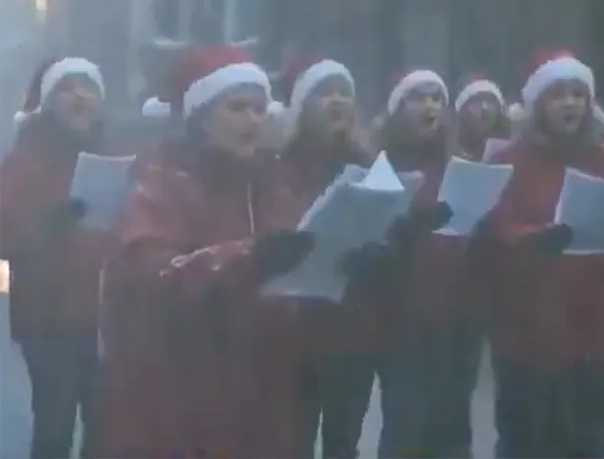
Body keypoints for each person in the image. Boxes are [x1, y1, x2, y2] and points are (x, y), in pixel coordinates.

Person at [93, 45, 319, 458]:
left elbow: (299, 279)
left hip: (263, 399)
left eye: (259, 109)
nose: (253, 119)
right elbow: (154, 274)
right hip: (182, 402)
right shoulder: (161, 182)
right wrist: (249, 259)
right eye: (237, 108)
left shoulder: (274, 185)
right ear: (200, 117)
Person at [481, 49, 604, 457]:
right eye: (558, 95)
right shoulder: (507, 160)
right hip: (529, 326)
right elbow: (492, 225)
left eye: (578, 94)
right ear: (537, 104)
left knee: (591, 436)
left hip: (595, 324)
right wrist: (533, 238)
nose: (570, 103)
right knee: (528, 438)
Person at [272, 52, 387, 458]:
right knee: (293, 442)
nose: (337, 100)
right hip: (295, 331)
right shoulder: (277, 166)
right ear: (302, 106)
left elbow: (390, 230)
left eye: (344, 92)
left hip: (352, 328)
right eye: (325, 92)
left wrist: (379, 254)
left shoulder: (370, 164)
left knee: (344, 444)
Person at [0, 57, 112, 459]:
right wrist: (49, 222)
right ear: (48, 102)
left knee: (108, 428)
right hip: (49, 319)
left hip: (108, 318)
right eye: (68, 87)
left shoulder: (114, 154)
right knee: (55, 426)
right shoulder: (25, 160)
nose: (80, 95)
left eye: (89, 87)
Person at [373, 68, 455, 457]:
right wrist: (405, 228)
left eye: (436, 98)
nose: (429, 106)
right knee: (405, 417)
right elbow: (369, 231)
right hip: (399, 309)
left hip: (451, 307)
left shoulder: (454, 162)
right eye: (419, 98)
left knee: (446, 417)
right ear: (398, 108)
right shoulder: (380, 161)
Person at [454, 72, 509, 161]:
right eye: (477, 101)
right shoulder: (451, 150)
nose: (484, 108)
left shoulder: (511, 150)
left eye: (490, 101)